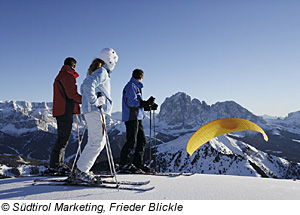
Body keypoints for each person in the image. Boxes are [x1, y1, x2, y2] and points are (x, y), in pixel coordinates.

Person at [73, 48, 118, 182]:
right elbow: (86, 85)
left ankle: (81, 170)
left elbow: (88, 85)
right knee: (97, 141)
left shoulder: (100, 71)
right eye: (114, 60)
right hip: (95, 110)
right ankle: (81, 171)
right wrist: (95, 101)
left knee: (97, 141)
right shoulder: (102, 72)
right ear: (109, 59)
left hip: (94, 110)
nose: (115, 63)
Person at [119, 69, 157, 173]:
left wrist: (148, 106)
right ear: (141, 77)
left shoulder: (135, 86)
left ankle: (137, 163)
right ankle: (123, 164)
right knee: (131, 141)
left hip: (137, 117)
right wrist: (145, 103)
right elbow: (132, 102)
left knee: (142, 140)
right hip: (132, 117)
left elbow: (137, 103)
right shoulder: (132, 86)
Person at [50, 57, 82, 175]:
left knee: (62, 138)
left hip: (61, 109)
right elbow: (72, 94)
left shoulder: (60, 75)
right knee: (63, 138)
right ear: (73, 66)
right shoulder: (68, 76)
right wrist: (86, 100)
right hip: (65, 110)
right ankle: (56, 165)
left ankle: (57, 164)